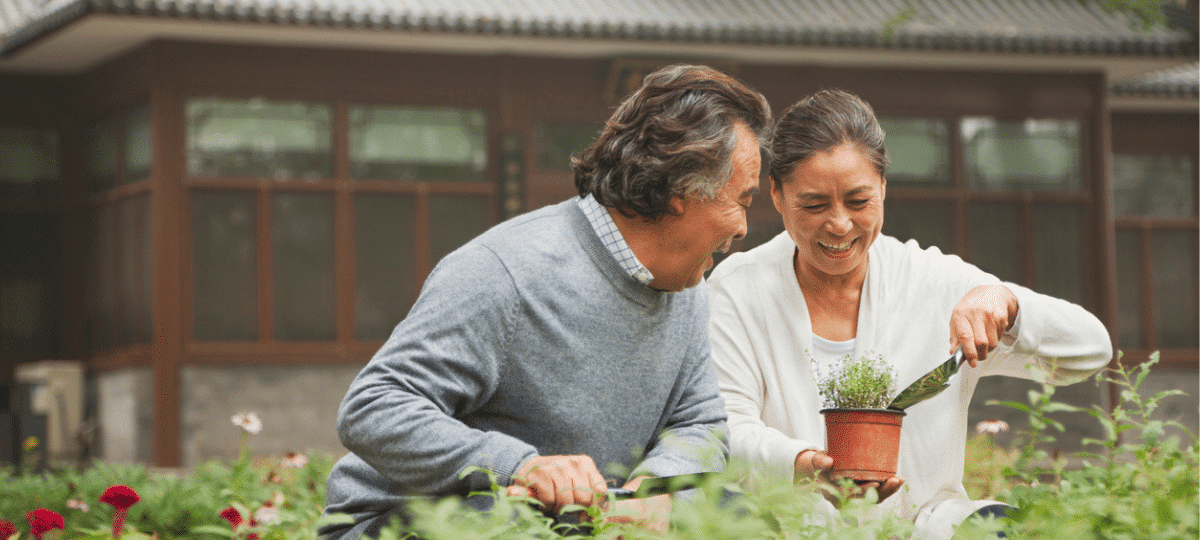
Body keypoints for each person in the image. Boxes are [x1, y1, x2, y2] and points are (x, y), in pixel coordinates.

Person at [320, 64, 773, 539]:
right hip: (410, 522)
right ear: (681, 188)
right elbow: (373, 409)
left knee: (742, 515)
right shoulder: (506, 271)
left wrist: (654, 494)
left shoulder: (688, 286)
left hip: (580, 517)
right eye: (741, 200)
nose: (743, 227)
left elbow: (699, 420)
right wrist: (521, 466)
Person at [706, 89, 1112, 539]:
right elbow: (724, 429)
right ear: (778, 196)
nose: (839, 224)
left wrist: (1006, 304)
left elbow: (1091, 349)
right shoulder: (739, 288)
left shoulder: (934, 283)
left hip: (924, 527)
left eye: (858, 202)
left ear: (883, 187)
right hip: (785, 525)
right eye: (815, 205)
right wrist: (804, 466)